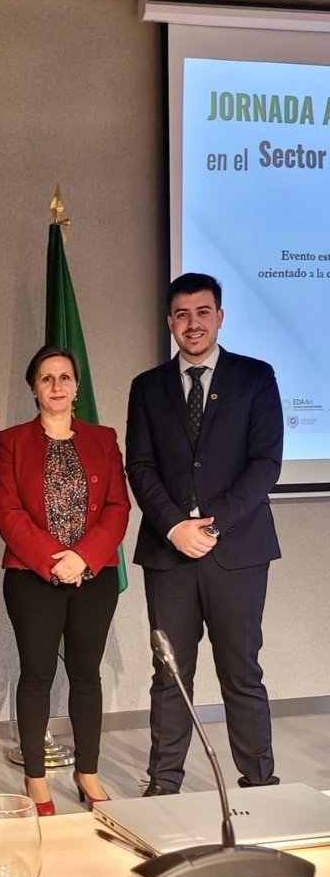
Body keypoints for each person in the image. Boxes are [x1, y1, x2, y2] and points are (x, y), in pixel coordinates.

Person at [126, 273, 283, 796]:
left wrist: (212, 526)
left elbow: (265, 464)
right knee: (170, 673)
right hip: (169, 553)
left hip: (237, 550)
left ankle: (259, 781)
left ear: (219, 317)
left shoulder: (255, 377)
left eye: (202, 312)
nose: (192, 324)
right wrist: (175, 527)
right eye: (182, 314)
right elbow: (140, 466)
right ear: (170, 322)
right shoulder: (147, 386)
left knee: (241, 671)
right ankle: (163, 783)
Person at [0, 344, 130, 815]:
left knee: (86, 675)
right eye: (46, 378)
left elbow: (118, 507)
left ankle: (87, 771)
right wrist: (55, 562)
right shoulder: (11, 442)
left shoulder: (103, 438)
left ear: (77, 387)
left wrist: (83, 558)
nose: (56, 386)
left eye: (65, 377)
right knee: (37, 675)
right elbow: (8, 513)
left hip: (95, 575)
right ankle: (35, 777)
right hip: (32, 577)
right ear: (34, 388)